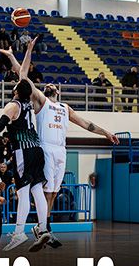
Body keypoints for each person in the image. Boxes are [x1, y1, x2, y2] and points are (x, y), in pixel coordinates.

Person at [0, 37, 52, 252]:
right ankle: (44, 228)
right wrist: (25, 51)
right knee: (37, 190)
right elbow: (23, 74)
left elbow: (0, 125)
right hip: (37, 150)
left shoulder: (13, 105)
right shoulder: (29, 102)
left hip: (24, 150)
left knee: (23, 192)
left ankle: (19, 232)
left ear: (16, 90)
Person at [32, 83, 120, 247]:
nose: (49, 85)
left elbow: (86, 124)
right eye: (47, 85)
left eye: (52, 85)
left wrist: (105, 133)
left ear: (58, 91)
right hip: (46, 147)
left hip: (61, 149)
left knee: (54, 192)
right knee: (47, 192)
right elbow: (27, 83)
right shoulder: (41, 102)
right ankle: (44, 228)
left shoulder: (65, 108)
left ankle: (43, 226)